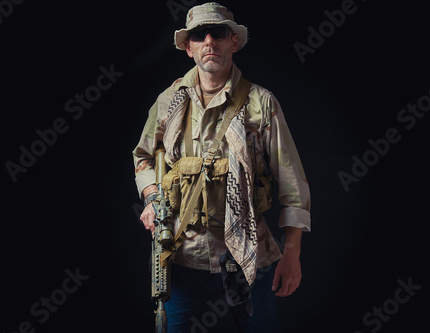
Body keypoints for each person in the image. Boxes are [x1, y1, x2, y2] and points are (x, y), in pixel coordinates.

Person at [133, 2, 311, 332]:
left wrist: (292, 253)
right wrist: (151, 196)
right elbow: (144, 157)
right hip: (182, 257)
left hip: (250, 258)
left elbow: (292, 183)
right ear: (189, 47)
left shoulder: (261, 102)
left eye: (219, 33)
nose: (210, 42)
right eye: (200, 35)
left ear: (234, 42)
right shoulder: (168, 103)